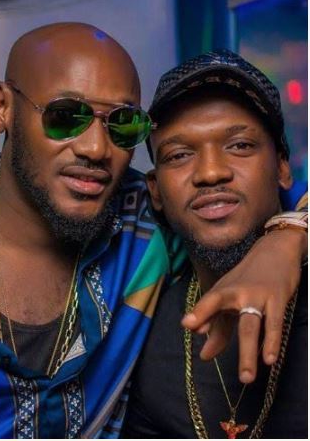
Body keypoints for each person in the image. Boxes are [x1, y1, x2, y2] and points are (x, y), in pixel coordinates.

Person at [0, 26, 306, 439]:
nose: (96, 147)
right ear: (2, 108)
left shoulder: (144, 224)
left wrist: (285, 237)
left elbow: (238, 198)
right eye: (65, 117)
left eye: (122, 124)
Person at [122, 50, 307, 439]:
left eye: (239, 146)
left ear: (282, 166)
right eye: (179, 155)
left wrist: (290, 234)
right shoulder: (142, 330)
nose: (210, 172)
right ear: (155, 190)